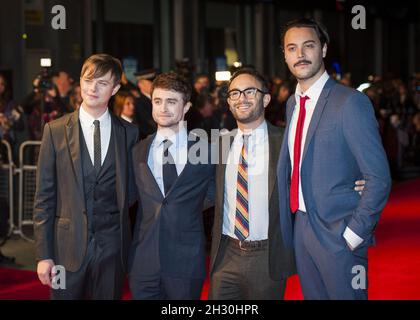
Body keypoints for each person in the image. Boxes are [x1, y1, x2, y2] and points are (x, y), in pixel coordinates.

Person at [277, 18, 391, 300]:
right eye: (292, 48)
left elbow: (378, 177)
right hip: (301, 229)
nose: (300, 54)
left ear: (324, 50)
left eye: (309, 46)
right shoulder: (292, 104)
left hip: (339, 232)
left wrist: (353, 234)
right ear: (285, 55)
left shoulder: (349, 102)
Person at [34, 54, 138, 299]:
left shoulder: (129, 133)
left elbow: (132, 192)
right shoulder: (55, 131)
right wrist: (43, 254)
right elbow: (44, 198)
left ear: (115, 89)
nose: (93, 88)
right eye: (88, 80)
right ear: (80, 82)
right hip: (64, 249)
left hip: (113, 249)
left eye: (102, 83)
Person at [208, 68, 295, 299]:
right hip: (225, 254)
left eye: (249, 91)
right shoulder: (219, 143)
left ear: (265, 98)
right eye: (235, 93)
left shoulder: (286, 142)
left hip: (266, 257)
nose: (242, 98)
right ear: (228, 102)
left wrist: (352, 184)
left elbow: (311, 180)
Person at [128, 72, 214, 300]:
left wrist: (185, 210)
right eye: (157, 101)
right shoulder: (137, 151)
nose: (163, 108)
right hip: (143, 263)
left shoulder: (206, 150)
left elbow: (213, 194)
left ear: (186, 107)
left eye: (171, 101)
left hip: (186, 263)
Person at [134, 68, 158, 140]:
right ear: (140, 84)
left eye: (154, 82)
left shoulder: (158, 99)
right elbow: (147, 124)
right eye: (150, 82)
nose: (153, 85)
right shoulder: (138, 103)